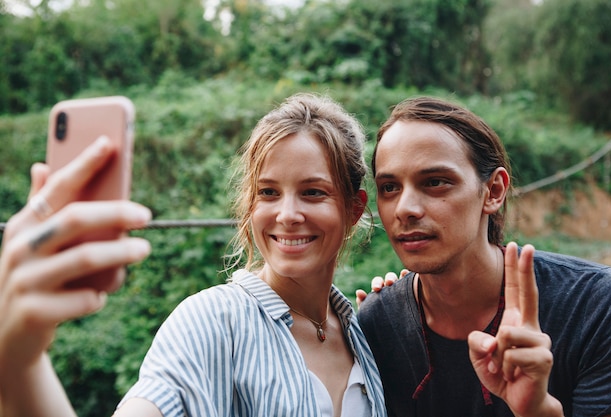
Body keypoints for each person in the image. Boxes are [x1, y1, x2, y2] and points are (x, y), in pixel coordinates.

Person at [0, 93, 386, 417]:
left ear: (354, 208)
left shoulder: (365, 334)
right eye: (268, 193)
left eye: (313, 192)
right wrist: (21, 364)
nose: (287, 215)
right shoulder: (212, 321)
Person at [356, 96, 611, 417]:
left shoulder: (594, 306)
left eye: (435, 182)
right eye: (389, 187)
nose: (405, 209)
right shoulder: (376, 325)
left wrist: (537, 410)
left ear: (494, 191)